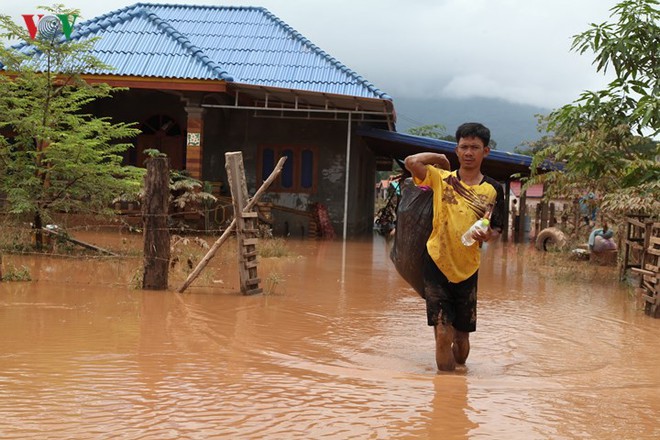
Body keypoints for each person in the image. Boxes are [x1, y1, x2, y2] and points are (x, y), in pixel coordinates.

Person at [404, 122, 505, 372]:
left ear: (486, 152)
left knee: (461, 340)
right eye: (464, 147)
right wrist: (438, 156)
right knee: (442, 335)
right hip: (436, 262)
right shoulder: (441, 178)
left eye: (475, 147)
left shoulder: (493, 189)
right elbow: (411, 161)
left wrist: (487, 235)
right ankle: (446, 396)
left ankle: (459, 375)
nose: (469, 152)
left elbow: (498, 230)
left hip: (468, 269)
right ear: (457, 150)